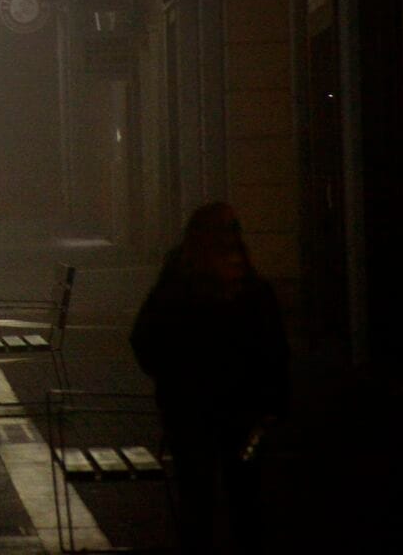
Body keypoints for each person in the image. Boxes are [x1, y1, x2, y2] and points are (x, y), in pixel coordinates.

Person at [130, 202, 289, 555]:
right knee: (242, 500)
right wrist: (272, 402)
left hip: (193, 413)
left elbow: (143, 339)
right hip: (236, 413)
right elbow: (273, 349)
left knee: (199, 501)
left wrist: (171, 382)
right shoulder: (250, 288)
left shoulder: (177, 286)